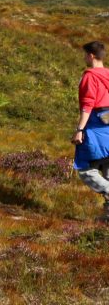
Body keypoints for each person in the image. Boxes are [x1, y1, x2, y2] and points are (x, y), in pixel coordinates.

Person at [71, 41, 109, 222]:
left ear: (91, 56)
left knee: (85, 169)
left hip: (95, 127)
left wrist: (79, 129)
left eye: (85, 54)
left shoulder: (90, 76)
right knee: (108, 167)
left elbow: (87, 105)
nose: (84, 57)